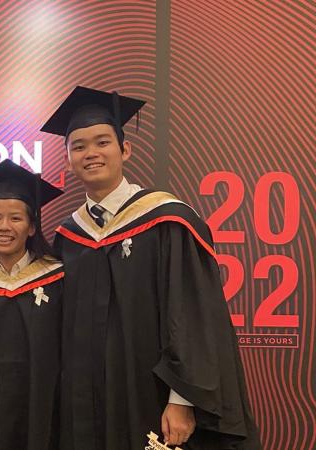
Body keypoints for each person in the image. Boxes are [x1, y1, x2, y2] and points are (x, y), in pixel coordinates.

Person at [42, 86, 261, 449]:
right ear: (67, 160)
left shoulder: (166, 221)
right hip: (86, 404)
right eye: (78, 146)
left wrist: (182, 400)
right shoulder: (69, 237)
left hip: (154, 397)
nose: (91, 153)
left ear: (125, 150)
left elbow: (191, 316)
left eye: (102, 142)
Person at [0, 160, 64, 450]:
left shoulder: (58, 280)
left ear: (32, 228)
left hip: (48, 409)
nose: (4, 227)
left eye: (16, 218)